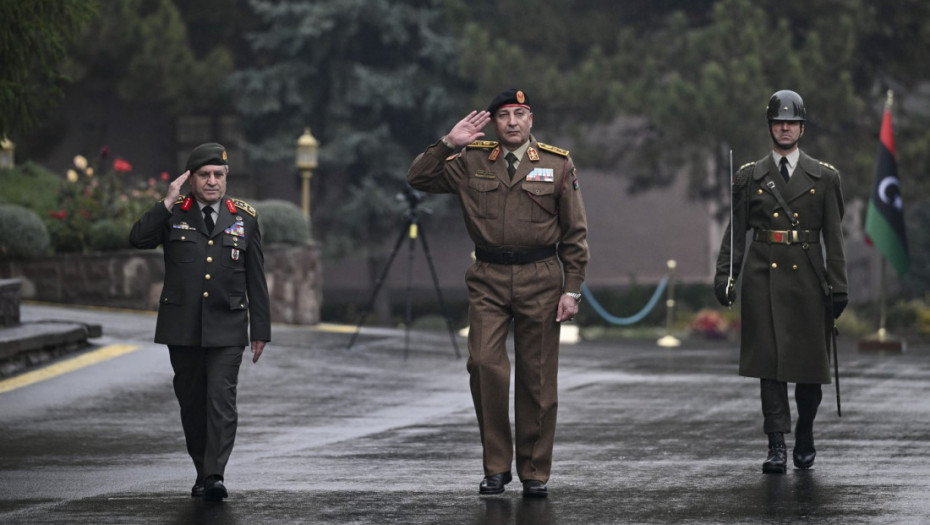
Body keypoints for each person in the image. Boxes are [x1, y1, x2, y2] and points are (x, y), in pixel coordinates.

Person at [408, 89, 589, 497]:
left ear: (531, 120)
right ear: (492, 122)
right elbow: (418, 177)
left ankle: (535, 471)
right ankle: (496, 467)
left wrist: (572, 289)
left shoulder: (557, 164)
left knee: (537, 378)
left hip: (541, 277)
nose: (511, 122)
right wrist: (448, 144)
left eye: (519, 114)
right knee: (484, 365)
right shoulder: (471, 159)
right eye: (503, 115)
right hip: (488, 276)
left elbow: (575, 232)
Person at [714, 90, 848, 474]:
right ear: (770, 127)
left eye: (792, 122)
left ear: (802, 128)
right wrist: (725, 275)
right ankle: (776, 444)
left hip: (807, 279)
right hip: (762, 277)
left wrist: (839, 285)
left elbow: (834, 237)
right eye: (778, 121)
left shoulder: (824, 177)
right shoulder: (749, 176)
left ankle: (804, 431)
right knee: (769, 367)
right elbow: (736, 233)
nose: (785, 127)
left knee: (809, 368)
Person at [129, 142, 271, 501]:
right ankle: (201, 470)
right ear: (191, 179)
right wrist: (166, 201)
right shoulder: (175, 213)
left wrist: (261, 330)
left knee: (221, 400)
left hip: (228, 326)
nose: (212, 181)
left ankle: (215, 474)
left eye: (218, 175)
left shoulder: (245, 217)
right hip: (183, 327)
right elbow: (138, 238)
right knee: (192, 402)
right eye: (204, 175)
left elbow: (256, 277)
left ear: (226, 178)